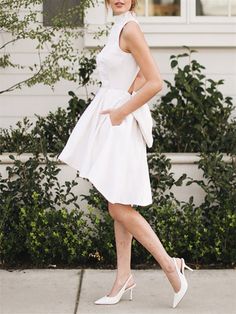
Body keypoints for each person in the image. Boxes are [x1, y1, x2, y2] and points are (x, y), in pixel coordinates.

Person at [58, 0, 193, 308]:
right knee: (117, 202)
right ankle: (123, 277)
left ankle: (171, 267)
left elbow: (155, 81)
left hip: (119, 121)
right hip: (112, 117)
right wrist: (123, 98)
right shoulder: (119, 27)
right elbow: (139, 76)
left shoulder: (130, 28)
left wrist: (121, 111)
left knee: (119, 208)